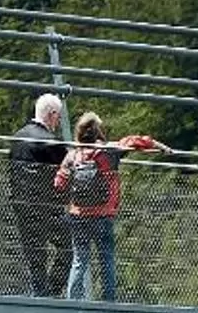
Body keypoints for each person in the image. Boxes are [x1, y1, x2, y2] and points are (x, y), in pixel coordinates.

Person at [55, 109, 174, 302]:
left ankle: (72, 299)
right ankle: (108, 300)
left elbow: (58, 184)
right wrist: (160, 146)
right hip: (103, 214)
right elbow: (134, 141)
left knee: (79, 260)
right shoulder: (109, 151)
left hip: (78, 215)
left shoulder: (72, 156)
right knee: (106, 258)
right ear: (99, 131)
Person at [4, 92, 71, 296]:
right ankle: (51, 291)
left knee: (35, 256)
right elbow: (69, 167)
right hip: (47, 208)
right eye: (58, 117)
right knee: (69, 247)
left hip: (21, 206)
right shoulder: (51, 143)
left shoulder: (17, 138)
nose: (58, 122)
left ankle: (39, 293)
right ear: (51, 115)